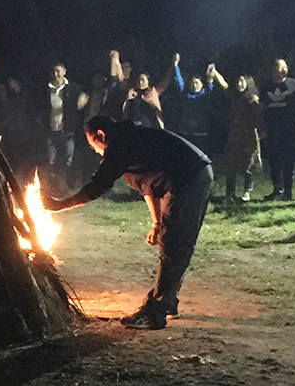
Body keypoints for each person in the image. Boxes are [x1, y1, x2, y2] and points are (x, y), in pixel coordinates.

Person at [43, 116, 213, 330]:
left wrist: (60, 205)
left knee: (175, 243)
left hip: (190, 176)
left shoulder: (121, 146)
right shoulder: (131, 141)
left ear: (101, 135)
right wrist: (156, 222)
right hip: (185, 177)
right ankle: (167, 301)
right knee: (170, 240)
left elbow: (96, 187)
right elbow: (149, 187)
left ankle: (155, 312)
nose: (94, 150)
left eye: (92, 143)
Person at [260, 58, 295, 201]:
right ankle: (277, 189)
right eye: (278, 66)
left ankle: (288, 191)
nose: (281, 69)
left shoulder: (293, 84)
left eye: (284, 67)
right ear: (273, 69)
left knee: (288, 160)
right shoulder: (266, 86)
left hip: (289, 128)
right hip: (272, 128)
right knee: (274, 159)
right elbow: (261, 106)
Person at [41, 63, 88, 191]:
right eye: (54, 72)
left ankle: (69, 184)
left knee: (69, 159)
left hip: (67, 129)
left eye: (58, 71)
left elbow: (84, 97)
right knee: (52, 160)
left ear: (64, 72)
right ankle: (53, 186)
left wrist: (84, 98)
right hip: (51, 129)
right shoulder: (47, 89)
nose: (56, 75)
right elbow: (42, 107)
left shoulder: (72, 88)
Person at [223, 75, 265, 202]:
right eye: (237, 81)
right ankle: (230, 193)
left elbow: (259, 118)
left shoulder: (252, 99)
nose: (239, 83)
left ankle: (247, 192)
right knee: (231, 165)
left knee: (248, 166)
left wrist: (262, 131)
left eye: (242, 81)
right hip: (235, 135)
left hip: (249, 136)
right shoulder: (235, 98)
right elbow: (224, 86)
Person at [173, 61, 228, 154]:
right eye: (192, 83)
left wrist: (211, 75)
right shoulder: (185, 95)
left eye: (197, 83)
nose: (194, 85)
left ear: (202, 84)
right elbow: (180, 83)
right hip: (185, 132)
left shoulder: (206, 95)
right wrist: (175, 66)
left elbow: (210, 83)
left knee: (200, 156)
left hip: (201, 133)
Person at [121, 53, 179, 129]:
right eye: (138, 80)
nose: (140, 82)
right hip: (134, 126)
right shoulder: (132, 93)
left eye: (142, 80)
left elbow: (166, 80)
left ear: (148, 81)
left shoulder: (153, 91)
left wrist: (174, 65)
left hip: (151, 126)